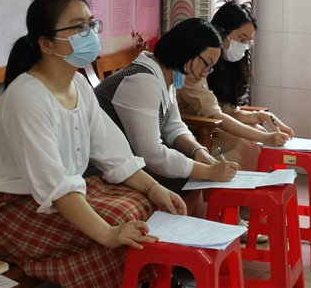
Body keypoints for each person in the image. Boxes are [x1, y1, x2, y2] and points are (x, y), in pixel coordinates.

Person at [0, 0, 186, 288]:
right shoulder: (27, 97)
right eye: (78, 27)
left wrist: (155, 189)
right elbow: (55, 185)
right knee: (118, 225)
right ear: (46, 44)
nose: (90, 34)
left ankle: (150, 281)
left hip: (48, 195)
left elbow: (114, 153)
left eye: (91, 24)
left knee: (142, 205)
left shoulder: (78, 83)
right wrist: (108, 234)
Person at [94, 18, 239, 217]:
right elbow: (152, 154)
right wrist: (208, 171)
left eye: (210, 68)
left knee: (192, 168)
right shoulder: (142, 82)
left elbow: (174, 127)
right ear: (185, 50)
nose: (205, 74)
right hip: (104, 169)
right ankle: (196, 227)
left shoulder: (165, 76)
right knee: (190, 177)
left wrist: (198, 151)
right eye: (206, 64)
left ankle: (204, 225)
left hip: (131, 161)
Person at [177, 1, 294, 173]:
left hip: (213, 124)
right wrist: (265, 137)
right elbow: (215, 114)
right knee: (246, 141)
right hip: (193, 129)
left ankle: (252, 188)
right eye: (241, 39)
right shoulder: (196, 65)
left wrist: (262, 116)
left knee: (256, 130)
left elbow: (228, 111)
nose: (244, 46)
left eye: (248, 41)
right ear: (221, 32)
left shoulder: (227, 65)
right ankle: (239, 189)